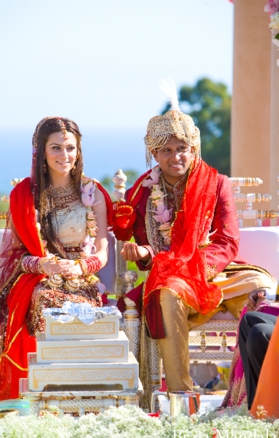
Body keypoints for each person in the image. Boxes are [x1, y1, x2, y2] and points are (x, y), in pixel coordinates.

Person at [113, 87, 276, 405]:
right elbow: (147, 250)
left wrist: (199, 267)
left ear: (194, 148)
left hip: (217, 270)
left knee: (262, 285)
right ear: (154, 154)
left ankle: (255, 390)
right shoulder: (142, 192)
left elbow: (228, 241)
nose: (177, 157)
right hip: (173, 279)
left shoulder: (216, 183)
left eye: (183, 148)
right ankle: (182, 396)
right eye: (167, 150)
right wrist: (143, 254)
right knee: (168, 296)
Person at [0, 116, 113, 402]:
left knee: (72, 307)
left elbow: (104, 249)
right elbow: (18, 257)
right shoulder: (25, 196)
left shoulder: (93, 193)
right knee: (46, 300)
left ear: (79, 151)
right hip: (41, 280)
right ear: (41, 152)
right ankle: (47, 395)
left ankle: (81, 396)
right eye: (56, 148)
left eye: (70, 148)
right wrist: (43, 264)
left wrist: (82, 266)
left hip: (82, 280)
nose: (64, 155)